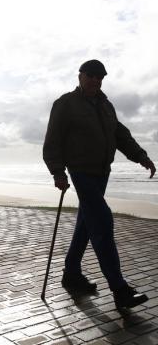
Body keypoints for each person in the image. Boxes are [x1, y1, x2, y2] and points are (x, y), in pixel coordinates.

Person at [43, 59, 156, 309]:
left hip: (101, 173)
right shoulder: (65, 104)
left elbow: (120, 135)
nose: (96, 80)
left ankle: (71, 274)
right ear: (81, 76)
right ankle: (120, 290)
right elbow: (52, 141)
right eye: (92, 75)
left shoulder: (106, 106)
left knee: (86, 224)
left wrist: (141, 156)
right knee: (102, 222)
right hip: (80, 172)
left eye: (100, 77)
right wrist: (57, 172)